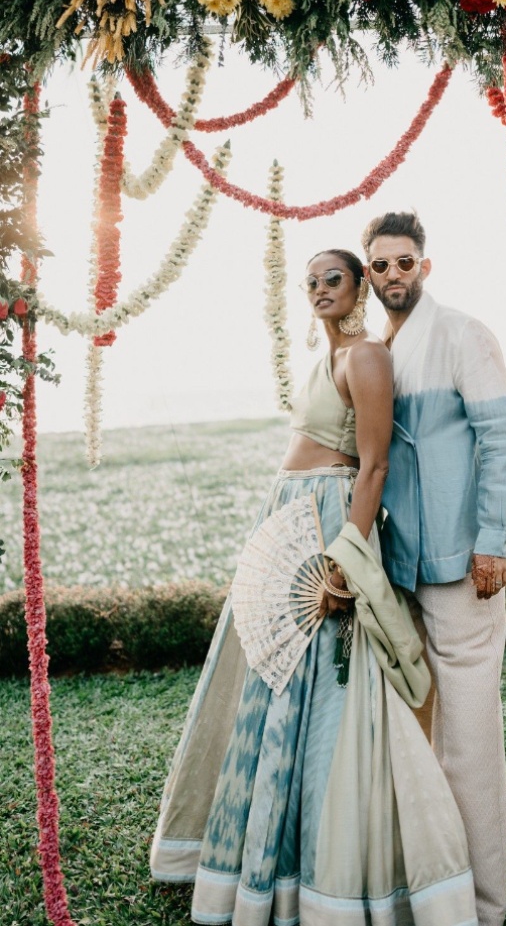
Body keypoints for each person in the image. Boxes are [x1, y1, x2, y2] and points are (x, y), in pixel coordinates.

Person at [150, 248, 479, 926]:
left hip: (330, 524)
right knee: (272, 691)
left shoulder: (364, 357)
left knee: (331, 690)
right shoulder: (323, 358)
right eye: (312, 282)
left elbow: (376, 462)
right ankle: (263, 862)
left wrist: (346, 560)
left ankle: (333, 876)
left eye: (335, 278)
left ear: (360, 286)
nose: (321, 290)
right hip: (291, 519)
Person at [362, 213, 506, 926]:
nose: (392, 275)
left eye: (403, 262)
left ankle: (483, 907)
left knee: (471, 740)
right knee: (427, 739)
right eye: (380, 266)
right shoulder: (383, 351)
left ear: (425, 265)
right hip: (406, 572)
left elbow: (502, 441)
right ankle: (439, 890)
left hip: (465, 569)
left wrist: (493, 540)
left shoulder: (461, 333)